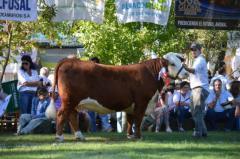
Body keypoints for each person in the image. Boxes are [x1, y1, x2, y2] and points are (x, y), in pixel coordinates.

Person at [183, 42, 209, 138]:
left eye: (195, 49)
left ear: (199, 50)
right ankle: (204, 131)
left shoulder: (200, 60)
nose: (193, 51)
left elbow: (193, 70)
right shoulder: (197, 60)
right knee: (195, 111)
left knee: (197, 111)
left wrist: (185, 67)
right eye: (192, 50)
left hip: (200, 88)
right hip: (197, 88)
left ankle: (198, 133)